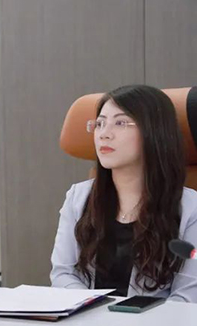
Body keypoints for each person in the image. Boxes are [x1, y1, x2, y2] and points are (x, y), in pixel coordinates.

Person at [51, 84, 197, 302]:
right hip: (87, 319)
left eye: (120, 123)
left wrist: (129, 320)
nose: (104, 134)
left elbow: (189, 295)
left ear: (153, 131)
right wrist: (95, 309)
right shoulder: (78, 198)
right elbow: (63, 273)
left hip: (158, 322)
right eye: (100, 124)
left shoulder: (191, 209)